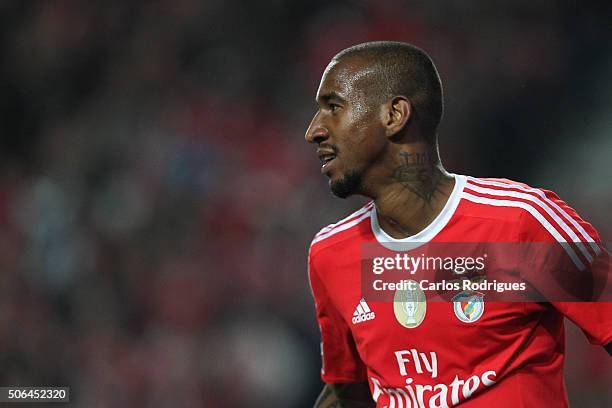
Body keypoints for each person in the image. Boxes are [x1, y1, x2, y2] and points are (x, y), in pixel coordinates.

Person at [304, 41, 611, 407]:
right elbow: (346, 392)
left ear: (394, 115)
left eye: (333, 108)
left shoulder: (519, 223)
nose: (314, 131)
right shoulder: (332, 255)